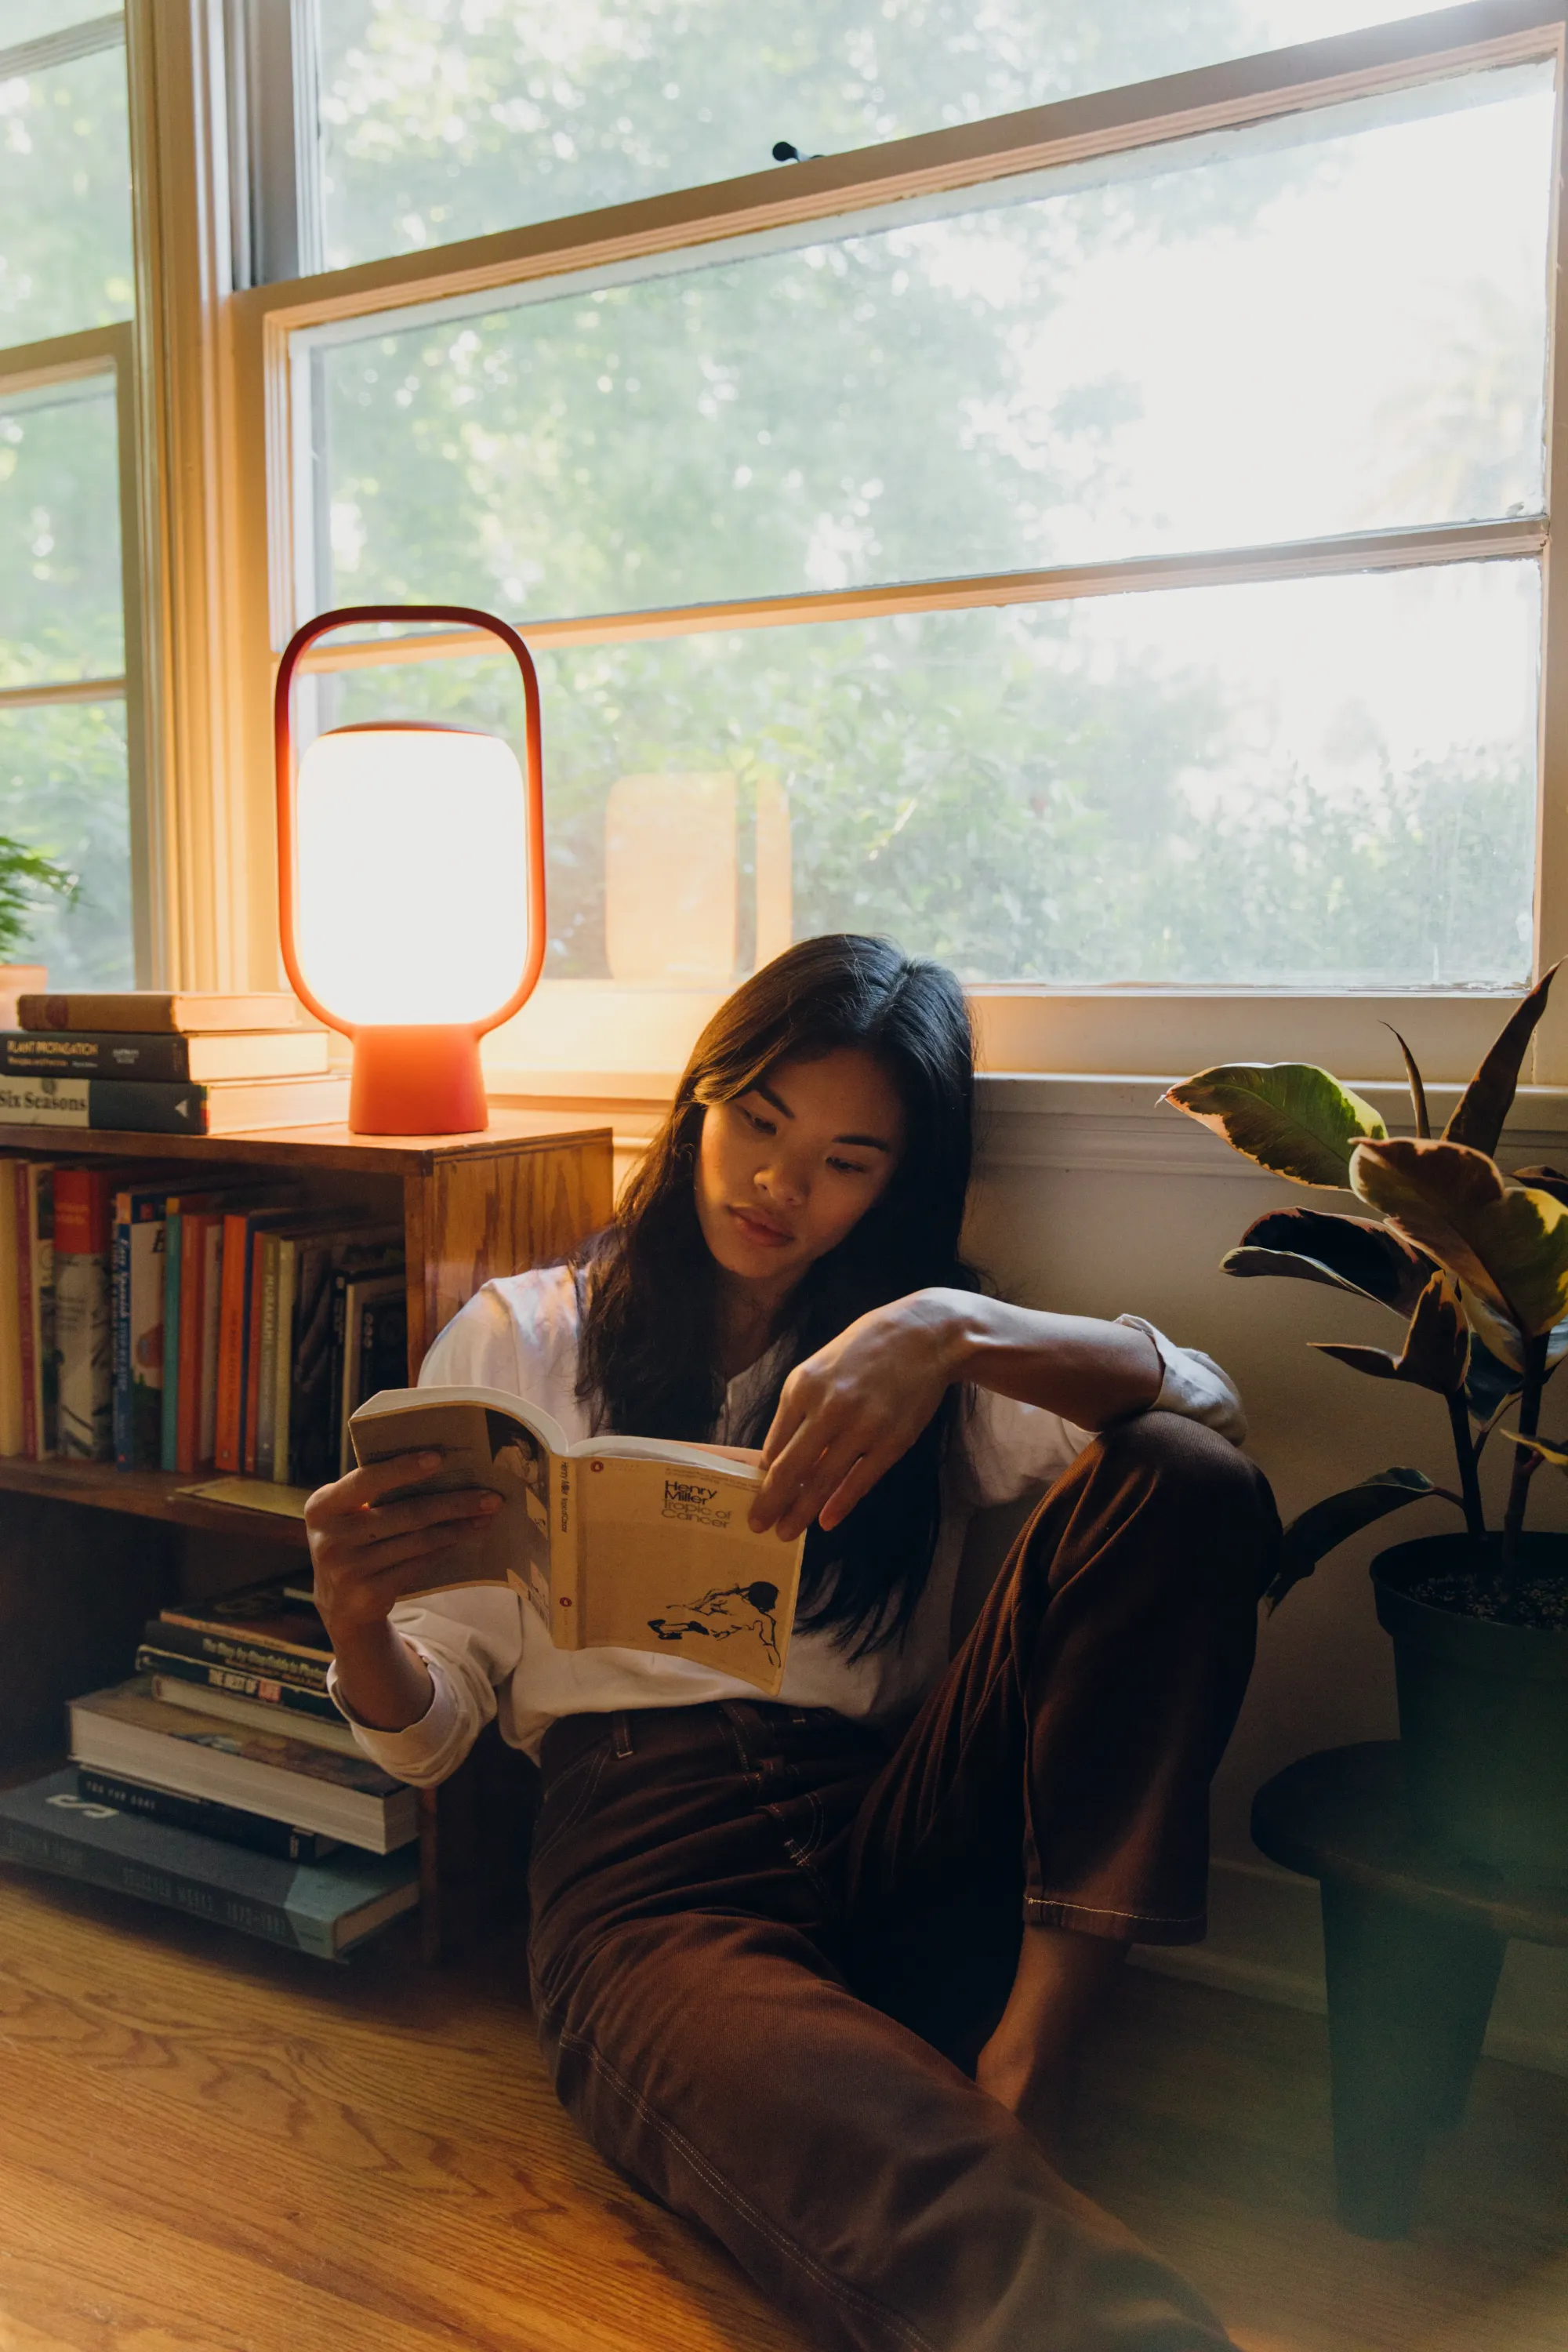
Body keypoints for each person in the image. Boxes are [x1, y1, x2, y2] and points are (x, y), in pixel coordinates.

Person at [306, 933, 1278, 2352]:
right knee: (912, 2191)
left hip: (892, 1815)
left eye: (846, 1157)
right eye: (759, 1118)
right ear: (701, 1097)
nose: (779, 1182)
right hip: (648, 1870)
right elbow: (436, 1724)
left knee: (1186, 1482)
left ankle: (1030, 2060)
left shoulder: (911, 1355)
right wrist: (353, 1629)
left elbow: (1210, 1411)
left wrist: (952, 1327)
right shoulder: (525, 1335)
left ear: (899, 1182)